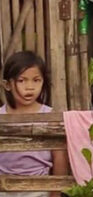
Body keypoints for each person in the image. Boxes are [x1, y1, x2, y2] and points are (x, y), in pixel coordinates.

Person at [0, 51, 68, 197]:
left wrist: (55, 193)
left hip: (39, 188)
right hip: (4, 187)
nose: (30, 87)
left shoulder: (51, 116)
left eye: (36, 80)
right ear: (7, 85)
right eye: (22, 80)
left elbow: (59, 158)